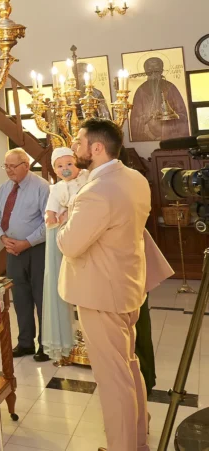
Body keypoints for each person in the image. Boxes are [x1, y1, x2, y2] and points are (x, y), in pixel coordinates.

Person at [57, 119, 152, 451]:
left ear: (96, 148)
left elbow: (70, 244)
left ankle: (124, 447)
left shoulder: (97, 191)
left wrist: (65, 219)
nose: (74, 147)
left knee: (113, 382)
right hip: (128, 287)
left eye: (79, 142)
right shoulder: (135, 178)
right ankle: (137, 440)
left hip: (101, 295)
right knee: (128, 368)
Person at [0, 147, 50, 361]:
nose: (8, 170)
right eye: (5, 166)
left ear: (26, 166)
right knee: (20, 297)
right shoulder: (4, 188)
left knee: (41, 296)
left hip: (36, 249)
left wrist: (26, 243)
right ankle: (25, 342)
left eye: (12, 166)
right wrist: (2, 237)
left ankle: (45, 345)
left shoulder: (42, 188)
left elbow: (49, 223)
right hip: (12, 251)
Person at [41, 147, 89, 366]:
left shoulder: (88, 179)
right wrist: (53, 215)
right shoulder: (57, 188)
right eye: (60, 166)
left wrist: (69, 212)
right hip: (64, 236)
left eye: (69, 164)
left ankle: (90, 340)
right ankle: (68, 341)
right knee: (65, 285)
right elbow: (51, 212)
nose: (66, 169)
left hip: (86, 233)